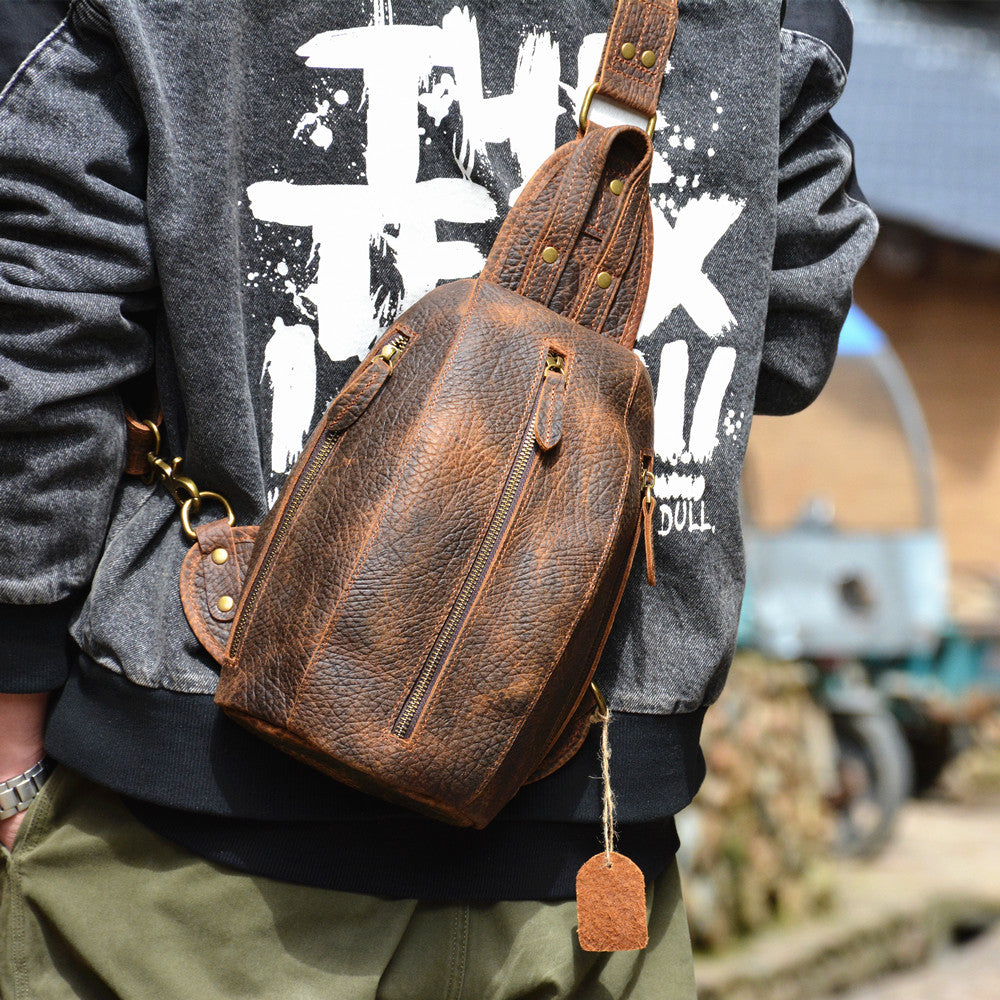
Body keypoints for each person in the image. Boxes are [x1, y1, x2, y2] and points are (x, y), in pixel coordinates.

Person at [0, 1, 877, 997]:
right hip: (580, 847)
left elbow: (41, 316)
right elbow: (794, 328)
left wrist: (12, 702)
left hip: (191, 847)